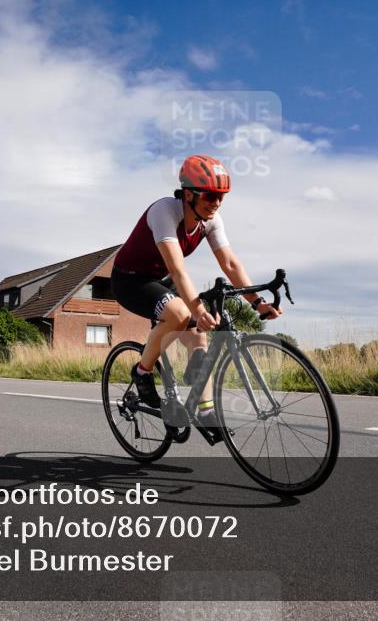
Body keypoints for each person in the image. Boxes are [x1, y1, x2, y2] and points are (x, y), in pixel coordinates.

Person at [111, 154, 281, 426]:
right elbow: (178, 270)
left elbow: (230, 263)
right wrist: (198, 309)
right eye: (209, 196)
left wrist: (257, 302)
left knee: (199, 337)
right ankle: (142, 373)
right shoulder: (164, 212)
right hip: (129, 280)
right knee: (180, 314)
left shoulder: (211, 221)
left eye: (220, 197)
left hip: (161, 279)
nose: (215, 203)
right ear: (188, 194)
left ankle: (204, 412)